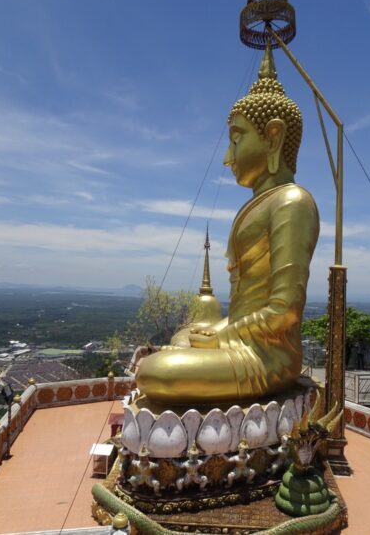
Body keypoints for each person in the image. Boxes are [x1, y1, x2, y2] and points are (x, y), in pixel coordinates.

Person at [136, 44, 319, 404]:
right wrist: (216, 330)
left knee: (158, 372)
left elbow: (285, 311)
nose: (227, 157)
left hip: (269, 356)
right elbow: (242, 308)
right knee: (180, 340)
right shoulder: (256, 206)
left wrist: (222, 337)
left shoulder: (292, 202)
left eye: (236, 140)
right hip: (241, 338)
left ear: (274, 137)